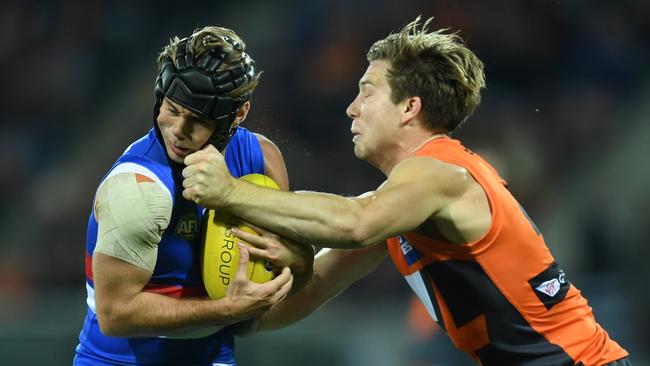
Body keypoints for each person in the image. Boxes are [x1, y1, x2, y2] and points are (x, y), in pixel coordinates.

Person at [182, 17, 631, 365]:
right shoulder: (406, 203)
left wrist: (229, 193)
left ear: (409, 107)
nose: (351, 107)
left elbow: (355, 225)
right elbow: (316, 285)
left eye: (367, 92)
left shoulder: (442, 172)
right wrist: (240, 316)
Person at [73, 26, 313, 366]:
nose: (178, 130)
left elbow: (271, 290)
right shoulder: (136, 190)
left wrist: (299, 263)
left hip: (216, 357)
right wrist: (227, 310)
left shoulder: (261, 160)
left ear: (239, 113)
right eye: (172, 108)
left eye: (198, 119)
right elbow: (115, 315)